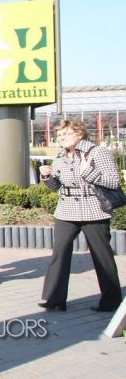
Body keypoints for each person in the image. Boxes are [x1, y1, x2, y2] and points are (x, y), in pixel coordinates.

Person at [38, 120, 123, 312]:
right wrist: (47, 177)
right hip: (66, 210)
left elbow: (113, 181)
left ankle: (111, 301)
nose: (62, 138)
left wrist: (88, 173)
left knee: (101, 255)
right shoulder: (60, 156)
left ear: (80, 134)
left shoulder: (97, 152)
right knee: (59, 253)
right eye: (59, 135)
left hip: (93, 210)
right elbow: (56, 186)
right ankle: (54, 299)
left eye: (66, 134)